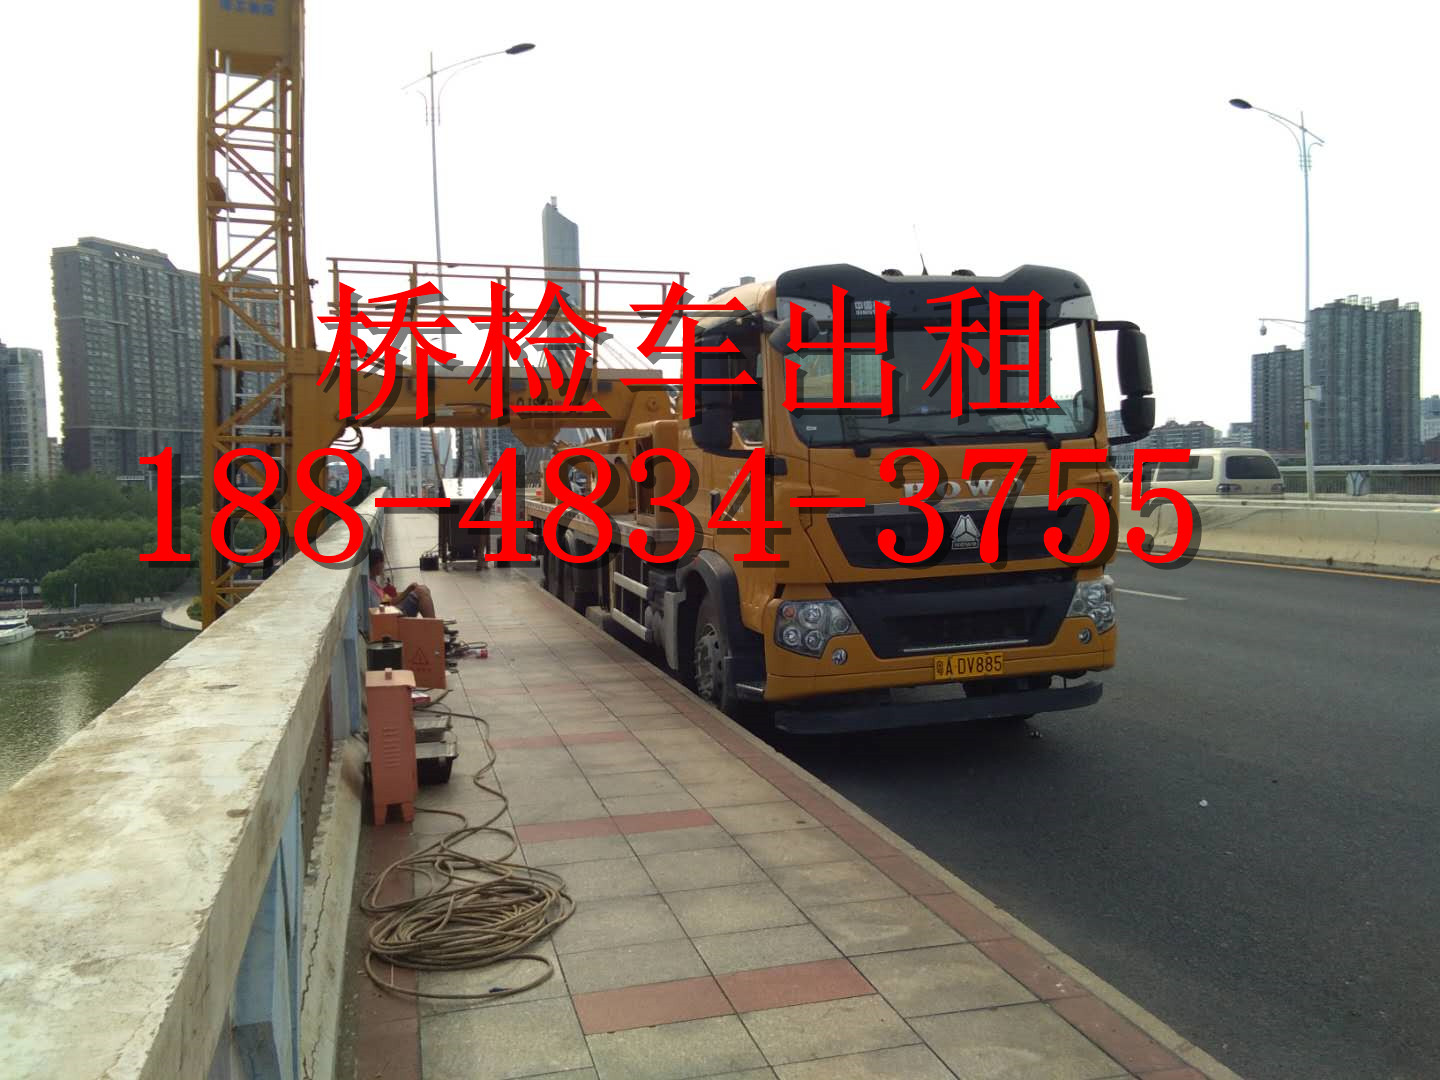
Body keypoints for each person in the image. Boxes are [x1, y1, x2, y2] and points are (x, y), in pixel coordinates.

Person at [368, 548, 437, 619]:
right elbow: (382, 608)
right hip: (393, 614)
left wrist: (408, 590)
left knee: (424, 588)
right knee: (421, 592)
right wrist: (407, 591)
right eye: (383, 562)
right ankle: (434, 624)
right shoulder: (370, 587)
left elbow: (389, 601)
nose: (383, 566)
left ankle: (434, 623)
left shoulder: (373, 581)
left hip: (393, 608)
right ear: (378, 563)